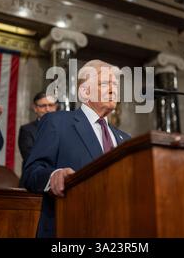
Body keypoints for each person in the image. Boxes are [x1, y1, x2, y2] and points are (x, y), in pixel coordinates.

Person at [23, 60, 131, 237]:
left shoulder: (125, 139)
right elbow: (31, 173)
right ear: (84, 91)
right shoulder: (57, 122)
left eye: (115, 85)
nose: (114, 89)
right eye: (105, 83)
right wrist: (53, 176)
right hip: (71, 227)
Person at [18, 92, 57, 187]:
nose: (47, 109)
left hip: (58, 183)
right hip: (33, 184)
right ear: (35, 108)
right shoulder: (27, 130)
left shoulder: (64, 129)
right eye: (43, 106)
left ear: (56, 107)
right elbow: (31, 158)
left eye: (51, 105)